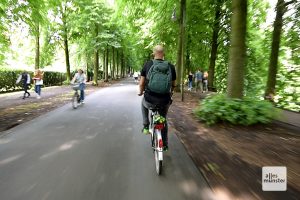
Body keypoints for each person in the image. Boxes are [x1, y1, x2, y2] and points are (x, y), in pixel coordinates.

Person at [138, 45, 176, 151]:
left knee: (143, 103)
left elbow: (141, 84)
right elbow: (173, 85)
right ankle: (164, 145)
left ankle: (146, 126)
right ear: (164, 54)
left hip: (150, 98)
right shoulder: (170, 66)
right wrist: (170, 94)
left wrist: (141, 92)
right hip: (164, 100)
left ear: (153, 53)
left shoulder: (148, 64)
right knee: (163, 118)